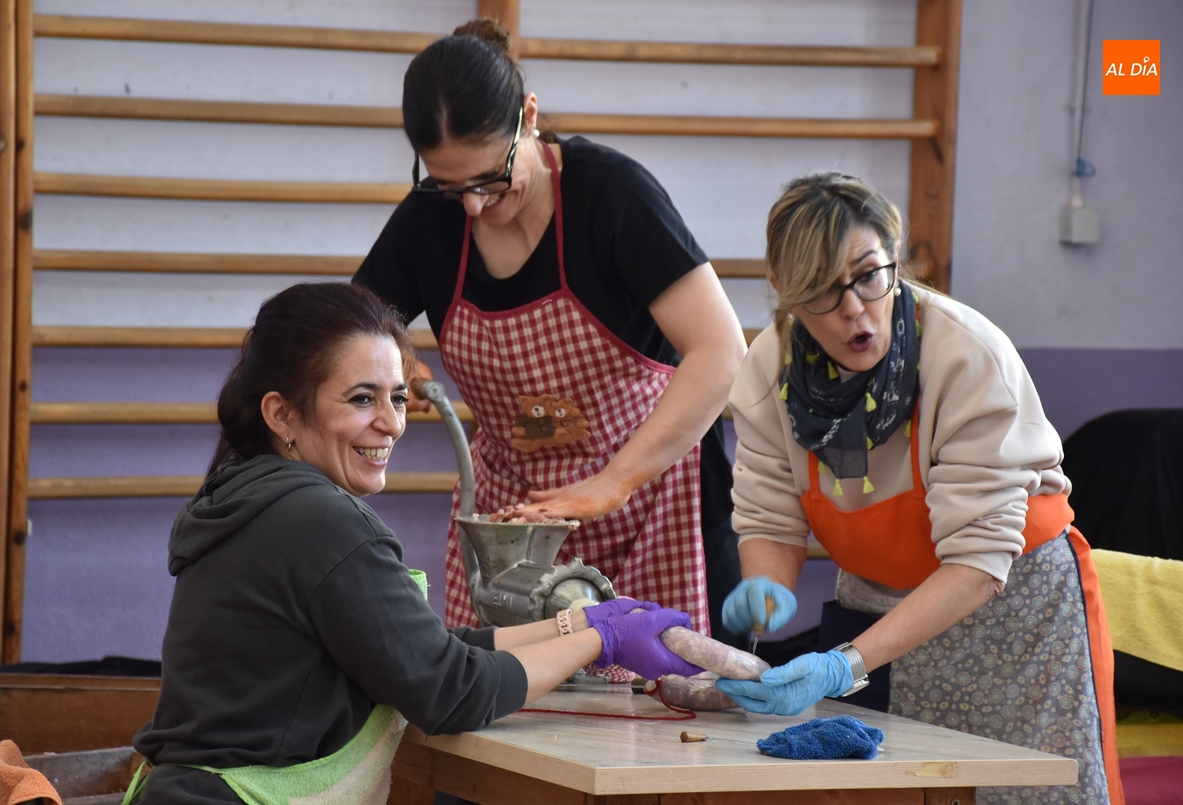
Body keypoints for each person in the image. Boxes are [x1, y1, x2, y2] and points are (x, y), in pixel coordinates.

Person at [127, 283, 702, 804]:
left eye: (398, 397)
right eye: (361, 399)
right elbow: (448, 691)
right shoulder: (319, 519)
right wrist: (601, 641)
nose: (392, 423)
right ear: (281, 413)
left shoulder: (248, 496)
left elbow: (419, 650)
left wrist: (577, 625)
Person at [715, 174, 1123, 805]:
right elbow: (770, 517)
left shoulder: (964, 357)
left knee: (1028, 794)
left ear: (894, 259)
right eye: (823, 290)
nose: (854, 307)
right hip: (878, 612)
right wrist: (766, 582)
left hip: (1011, 616)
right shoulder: (768, 371)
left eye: (869, 274)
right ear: (784, 292)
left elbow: (980, 561)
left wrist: (844, 664)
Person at [354, 19, 748, 646]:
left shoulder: (609, 196)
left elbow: (722, 351)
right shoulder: (430, 218)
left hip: (654, 500)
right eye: (449, 186)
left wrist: (613, 482)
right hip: (515, 524)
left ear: (528, 118)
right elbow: (355, 325)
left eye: (490, 179)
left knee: (664, 714)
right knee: (505, 708)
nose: (474, 207)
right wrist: (398, 362)